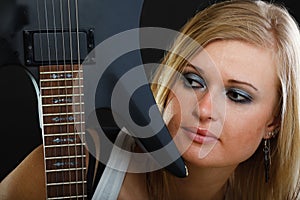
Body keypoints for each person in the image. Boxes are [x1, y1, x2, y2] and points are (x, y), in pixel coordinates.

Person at [92, 0, 300, 199]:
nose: (204, 109)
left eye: (236, 95)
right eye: (193, 81)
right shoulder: (82, 163)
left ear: (274, 122)